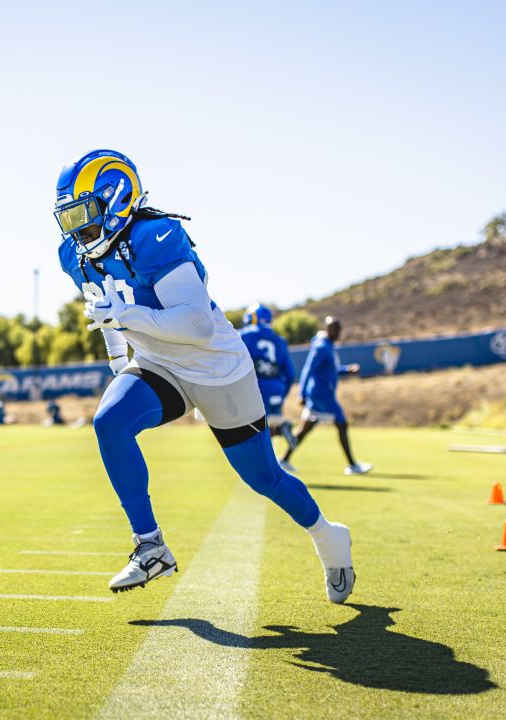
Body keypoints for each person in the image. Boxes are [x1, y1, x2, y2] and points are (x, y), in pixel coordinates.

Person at [54, 149, 354, 601]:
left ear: (116, 199)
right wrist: (120, 362)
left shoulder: (157, 236)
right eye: (68, 217)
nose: (77, 229)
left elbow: (196, 325)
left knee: (263, 477)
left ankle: (329, 537)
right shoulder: (75, 254)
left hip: (216, 367)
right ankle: (150, 547)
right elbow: (104, 311)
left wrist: (126, 316)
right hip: (160, 365)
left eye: (84, 213)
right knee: (109, 422)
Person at [281, 316, 373, 476]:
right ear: (327, 329)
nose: (337, 332)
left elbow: (331, 369)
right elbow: (308, 370)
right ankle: (352, 465)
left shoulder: (328, 346)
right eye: (334, 329)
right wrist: (301, 394)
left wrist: (347, 370)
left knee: (305, 429)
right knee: (342, 424)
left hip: (322, 394)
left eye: (338, 329)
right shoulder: (322, 347)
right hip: (320, 396)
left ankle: (284, 459)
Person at [239, 303, 298, 451]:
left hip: (258, 387)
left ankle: (280, 430)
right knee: (267, 426)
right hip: (277, 387)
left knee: (254, 428)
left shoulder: (244, 335)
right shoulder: (280, 340)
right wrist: (283, 392)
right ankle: (280, 431)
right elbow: (290, 373)